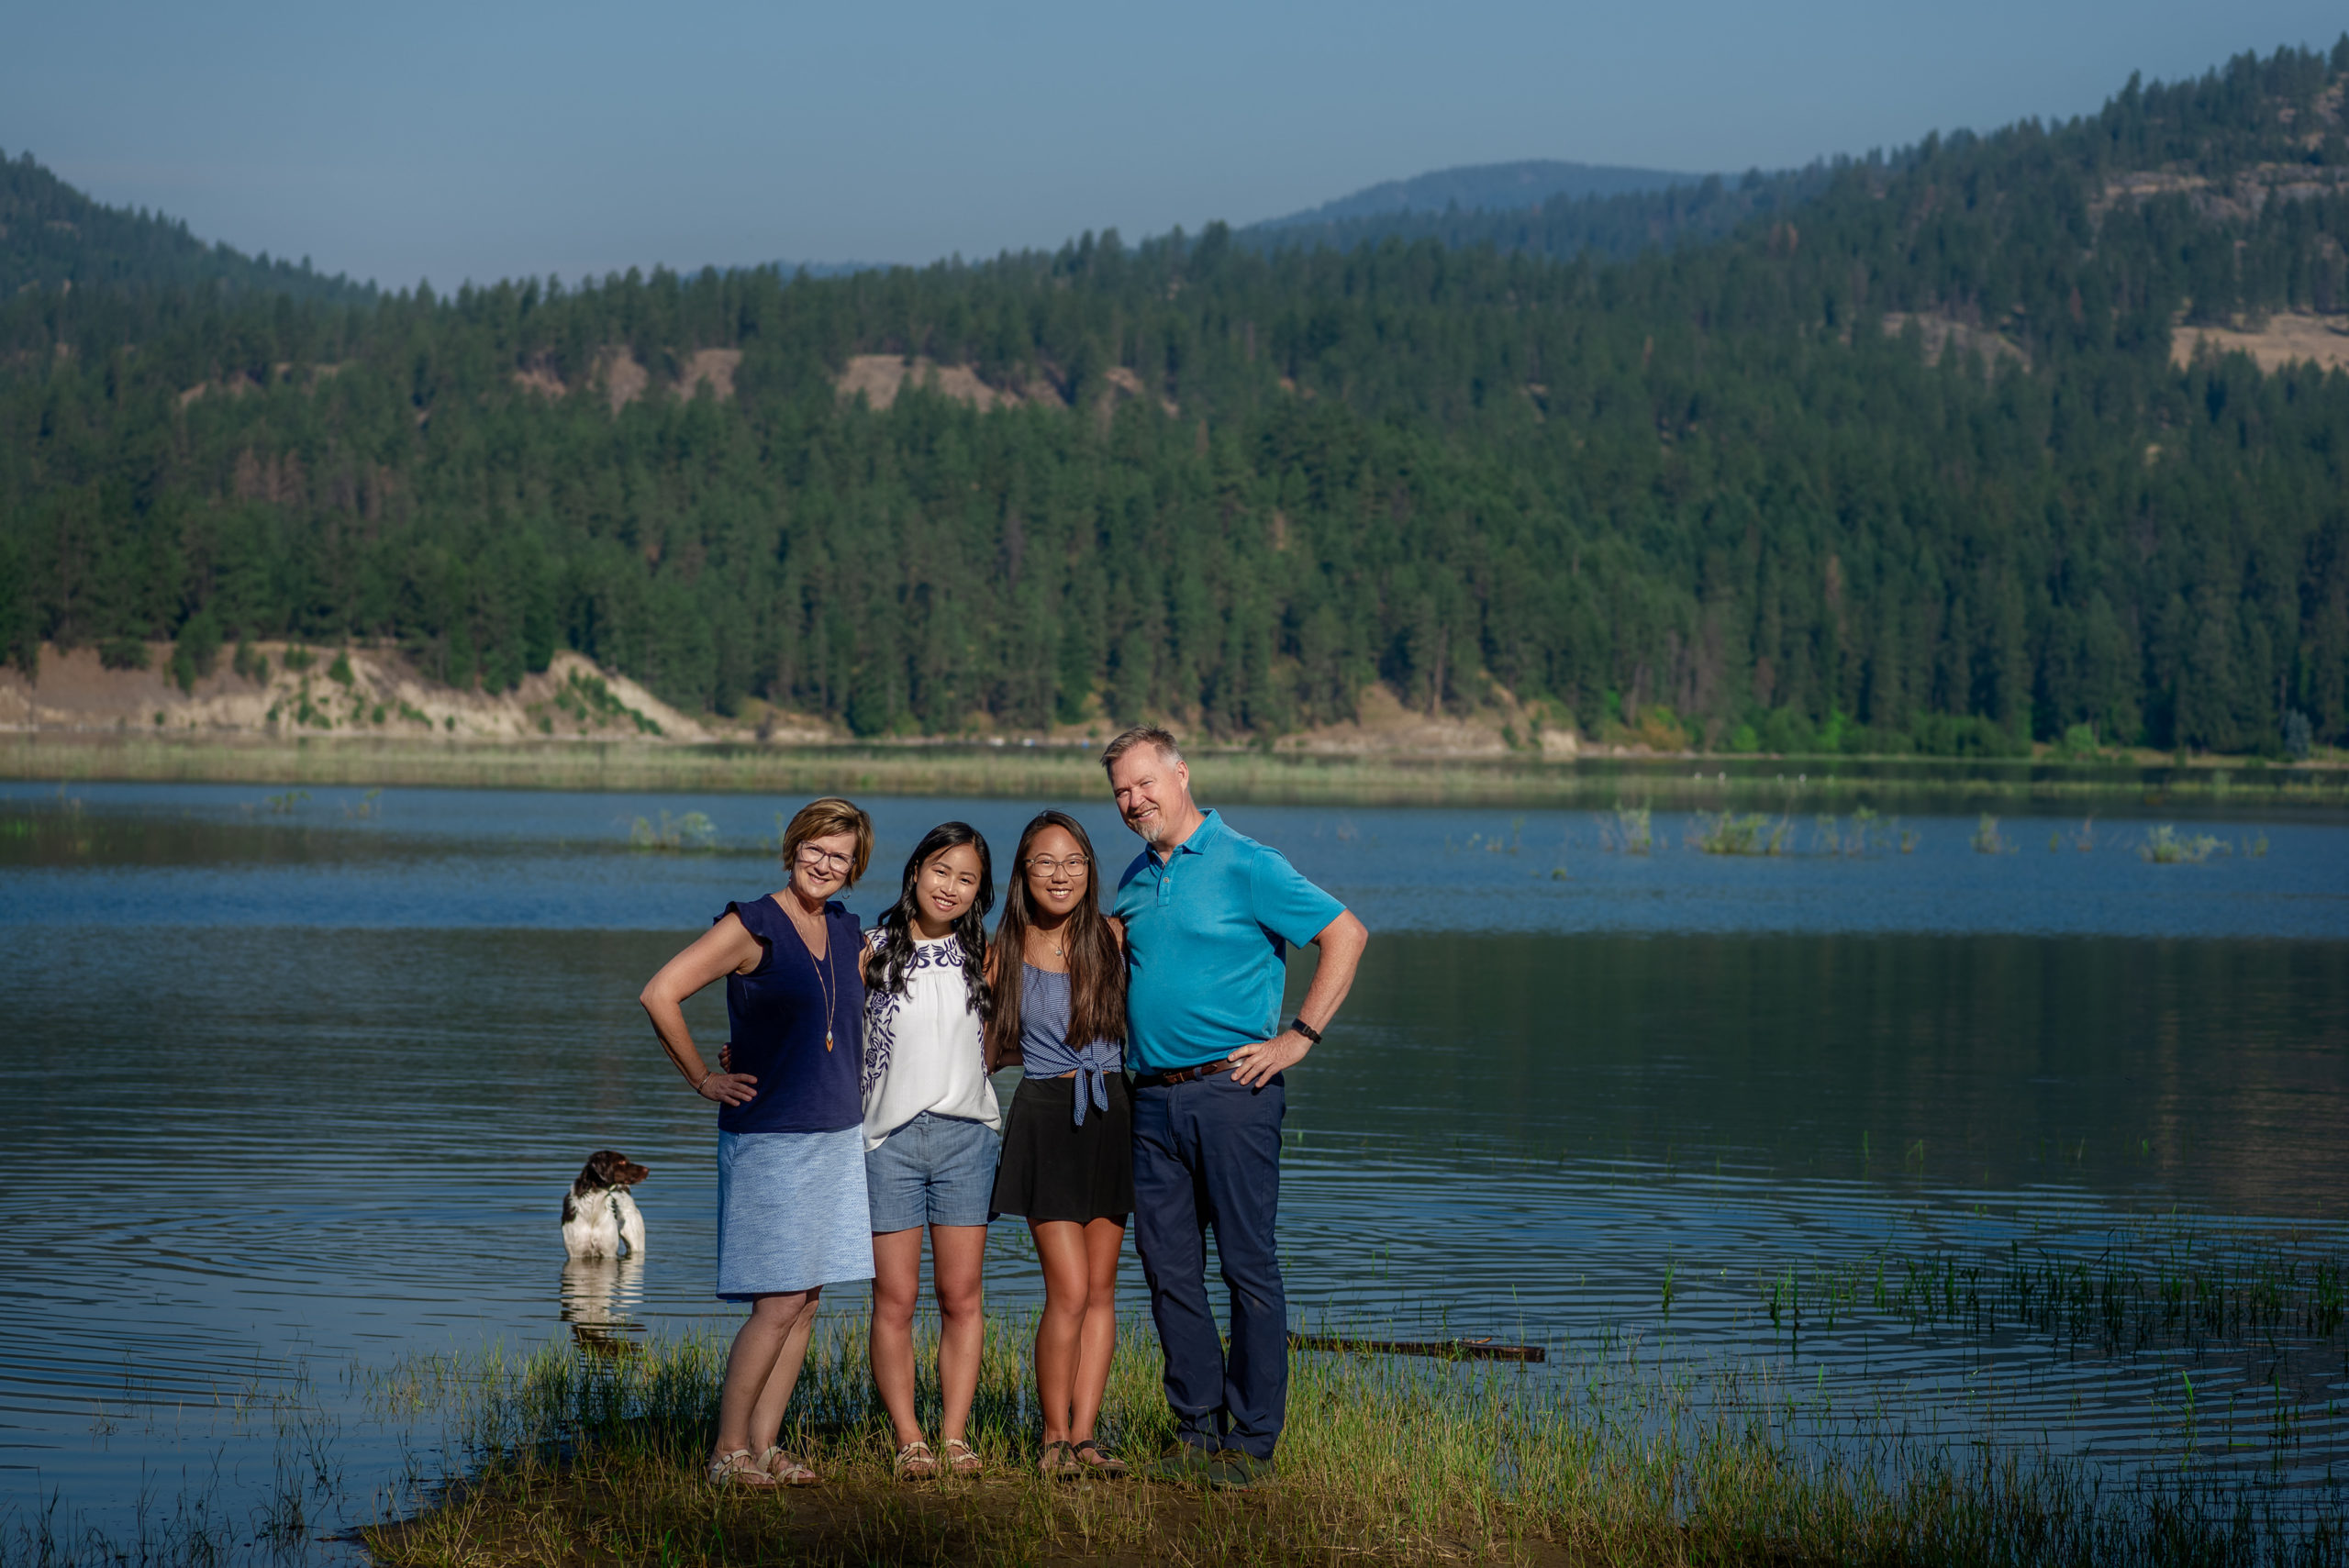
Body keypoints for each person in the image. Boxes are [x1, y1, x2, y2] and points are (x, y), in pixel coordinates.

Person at [1102, 727, 1368, 1488]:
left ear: (1182, 773)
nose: (1133, 800)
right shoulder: (1132, 876)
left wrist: (1299, 1037)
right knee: (1169, 1269)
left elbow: (1344, 934)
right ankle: (1195, 1429)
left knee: (1248, 1266)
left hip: (1234, 1093)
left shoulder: (1247, 862)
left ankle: (1251, 1442)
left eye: (1145, 782)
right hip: (1150, 1100)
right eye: (1121, 790)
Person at [638, 796, 873, 1489]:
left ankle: (765, 1447)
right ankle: (726, 1452)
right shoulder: (754, 923)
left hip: (835, 1134)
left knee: (805, 1302)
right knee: (775, 1304)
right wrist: (703, 1077)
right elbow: (660, 992)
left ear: (855, 866)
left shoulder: (845, 926)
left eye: (841, 855)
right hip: (771, 1139)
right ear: (793, 846)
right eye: (815, 849)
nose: (825, 864)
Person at [985, 810, 1135, 1479]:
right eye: (1045, 861)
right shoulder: (1002, 948)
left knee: (1101, 1289)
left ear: (1089, 868)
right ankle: (1051, 1438)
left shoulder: (1113, 936)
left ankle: (1084, 1438)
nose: (1060, 873)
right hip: (1046, 1113)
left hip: (1113, 1111)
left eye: (1073, 860)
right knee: (1068, 1288)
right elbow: (980, 1049)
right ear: (1023, 871)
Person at [857, 822, 1001, 1481]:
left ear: (980, 891)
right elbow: (818, 1022)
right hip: (888, 1141)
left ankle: (954, 1434)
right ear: (916, 870)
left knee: (961, 1294)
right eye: (941, 870)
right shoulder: (871, 950)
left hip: (967, 1139)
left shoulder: (988, 959)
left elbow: (1016, 1039)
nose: (951, 886)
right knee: (895, 1295)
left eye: (966, 878)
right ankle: (908, 1435)